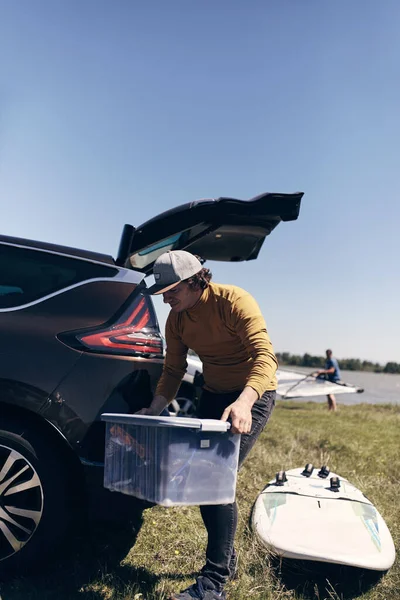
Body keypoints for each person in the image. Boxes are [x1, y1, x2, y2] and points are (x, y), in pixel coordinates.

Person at [138, 249, 277, 600]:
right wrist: (155, 408)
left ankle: (213, 584)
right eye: (163, 293)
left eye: (171, 291)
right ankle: (225, 560)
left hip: (252, 394)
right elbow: (173, 370)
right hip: (214, 394)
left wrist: (245, 402)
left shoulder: (235, 302)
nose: (166, 298)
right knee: (206, 482)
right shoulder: (178, 320)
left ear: (194, 280)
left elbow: (266, 357)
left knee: (215, 476)